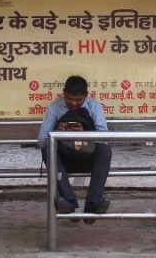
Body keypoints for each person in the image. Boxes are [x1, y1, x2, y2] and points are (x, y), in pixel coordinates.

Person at [37, 75, 112, 221]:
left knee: (104, 151)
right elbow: (42, 141)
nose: (73, 103)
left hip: (87, 156)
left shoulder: (94, 106)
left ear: (86, 95)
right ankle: (68, 202)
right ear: (63, 93)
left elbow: (104, 138)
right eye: (69, 98)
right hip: (64, 161)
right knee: (47, 150)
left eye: (78, 100)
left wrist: (84, 134)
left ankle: (93, 204)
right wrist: (58, 133)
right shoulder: (54, 107)